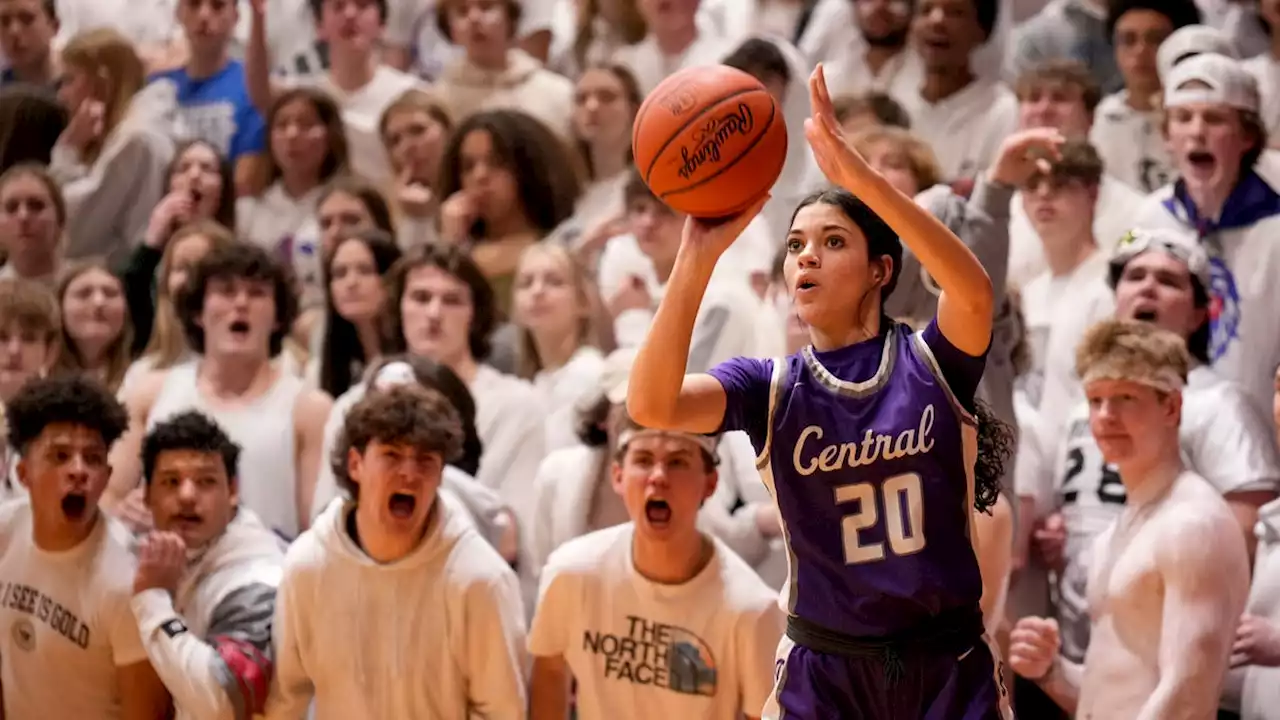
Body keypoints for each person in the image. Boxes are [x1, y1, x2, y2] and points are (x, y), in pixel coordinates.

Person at [627, 64, 1010, 718]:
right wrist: (696, 254)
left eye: (833, 242)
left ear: (881, 270)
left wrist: (858, 178)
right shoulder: (768, 388)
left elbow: (972, 291)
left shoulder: (932, 361)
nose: (807, 255)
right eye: (797, 243)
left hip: (944, 664)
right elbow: (652, 405)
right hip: (825, 668)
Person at [1008, 319, 1251, 718]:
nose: (1105, 415)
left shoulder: (1194, 524)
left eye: (1125, 397)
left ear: (1171, 406)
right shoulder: (1118, 532)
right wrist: (1051, 671)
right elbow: (1115, 691)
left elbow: (1186, 696)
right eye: (1095, 399)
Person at [264, 384, 527, 718]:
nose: (409, 473)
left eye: (425, 460)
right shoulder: (308, 566)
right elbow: (287, 698)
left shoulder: (480, 580)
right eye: (392, 455)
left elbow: (502, 711)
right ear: (356, 464)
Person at [528, 406, 784, 719]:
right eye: (643, 460)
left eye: (677, 462)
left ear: (710, 483)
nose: (658, 477)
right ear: (618, 476)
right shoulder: (570, 573)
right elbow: (550, 673)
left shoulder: (752, 609)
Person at [0, 375, 171, 718]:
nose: (78, 470)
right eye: (59, 456)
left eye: (92, 458)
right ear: (23, 474)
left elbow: (146, 714)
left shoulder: (125, 582)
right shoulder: (5, 531)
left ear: (107, 477)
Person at [131, 410, 286, 720]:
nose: (187, 496)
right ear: (146, 495)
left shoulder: (258, 581)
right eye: (171, 481)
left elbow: (225, 701)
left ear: (233, 491)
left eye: (206, 481)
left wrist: (152, 601)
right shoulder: (160, 552)